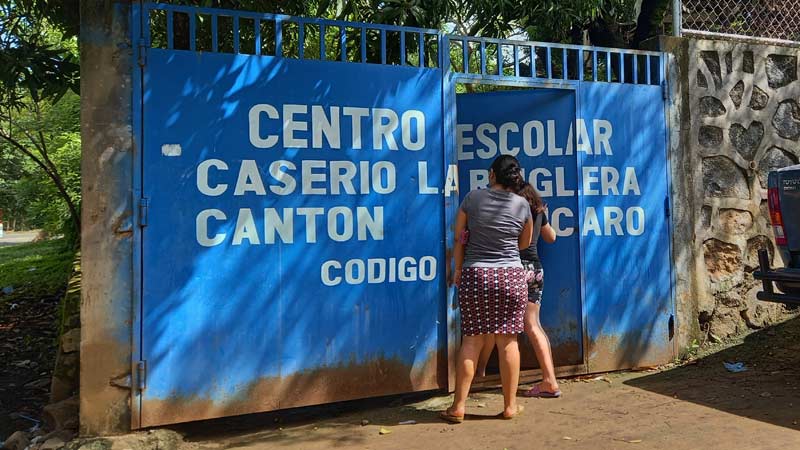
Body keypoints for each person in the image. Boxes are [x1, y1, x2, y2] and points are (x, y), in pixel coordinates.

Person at [440, 155, 533, 423]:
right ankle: (510, 406)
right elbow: (524, 243)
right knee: (508, 341)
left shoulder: (472, 198)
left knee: (472, 340)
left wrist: (458, 269)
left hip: (476, 275)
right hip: (511, 276)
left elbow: (459, 237)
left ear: (492, 174)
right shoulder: (522, 204)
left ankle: (458, 406)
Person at [516, 182, 560, 398]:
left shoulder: (513, 209)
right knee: (534, 325)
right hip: (535, 270)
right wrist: (544, 217)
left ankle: (482, 374)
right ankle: (549, 379)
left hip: (516, 268)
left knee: (499, 328)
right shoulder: (538, 211)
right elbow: (551, 237)